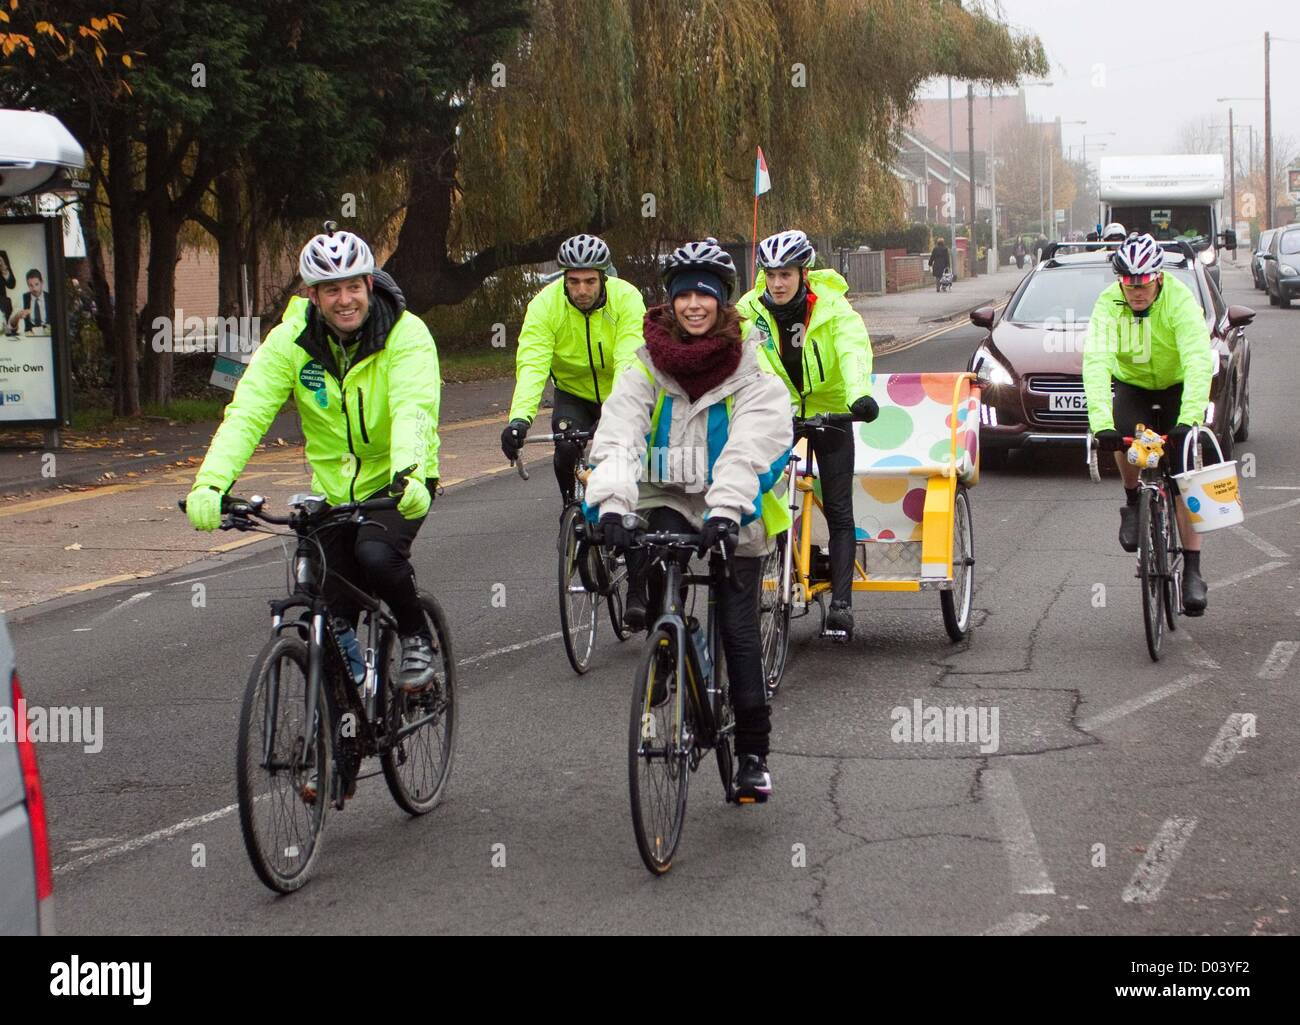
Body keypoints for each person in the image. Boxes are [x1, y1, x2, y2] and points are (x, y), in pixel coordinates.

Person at [185, 227, 443, 690]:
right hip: (331, 490)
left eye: (352, 287)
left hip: (398, 481)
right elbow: (248, 412)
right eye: (331, 290)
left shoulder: (407, 335)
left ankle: (415, 634)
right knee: (323, 585)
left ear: (369, 284)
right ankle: (343, 718)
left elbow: (413, 409)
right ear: (312, 295)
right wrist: (211, 484)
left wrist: (412, 474)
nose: (344, 300)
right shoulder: (291, 341)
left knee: (376, 556)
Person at [584, 238, 792, 803]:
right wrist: (611, 504)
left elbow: (754, 446)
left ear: (722, 301)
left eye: (705, 293)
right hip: (667, 493)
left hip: (736, 499)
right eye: (684, 294)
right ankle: (673, 640)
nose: (694, 304)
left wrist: (725, 511)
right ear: (670, 302)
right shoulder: (646, 360)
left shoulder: (750, 365)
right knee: (643, 563)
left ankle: (751, 755)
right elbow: (620, 432)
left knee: (739, 627)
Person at [736, 228, 878, 642]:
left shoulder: (833, 307)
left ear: (803, 273)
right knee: (764, 494)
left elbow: (853, 351)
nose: (777, 284)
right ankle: (770, 567)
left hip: (833, 409)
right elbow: (739, 361)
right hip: (780, 410)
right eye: (770, 275)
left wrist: (860, 396)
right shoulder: (749, 311)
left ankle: (842, 606)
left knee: (837, 507)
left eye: (786, 275)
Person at [1082, 233, 1213, 615]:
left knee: (1184, 482)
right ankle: (1131, 502)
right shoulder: (1109, 304)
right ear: (1119, 280)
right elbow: (1097, 360)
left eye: (1143, 281)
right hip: (1134, 386)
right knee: (1128, 445)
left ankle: (1192, 569)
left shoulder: (1179, 300)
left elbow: (1197, 360)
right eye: (1128, 282)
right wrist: (1100, 423)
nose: (1136, 290)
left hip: (1176, 388)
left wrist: (1189, 418)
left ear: (1157, 277)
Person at [499, 234, 647, 508]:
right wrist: (519, 420)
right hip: (573, 393)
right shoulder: (545, 305)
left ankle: (631, 516)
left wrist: (617, 413)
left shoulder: (626, 298)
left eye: (590, 281)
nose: (581, 291)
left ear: (603, 278)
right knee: (566, 446)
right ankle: (569, 509)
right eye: (574, 282)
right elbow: (532, 364)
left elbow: (629, 360)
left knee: (628, 452)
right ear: (564, 279)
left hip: (621, 392)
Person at [8, 268, 49, 336]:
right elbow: (10, 326)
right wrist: (17, 316)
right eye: (31, 285)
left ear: (42, 282)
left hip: (48, 338)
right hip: (29, 339)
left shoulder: (50, 298)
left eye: (36, 284)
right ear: (27, 285)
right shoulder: (22, 298)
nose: (34, 289)